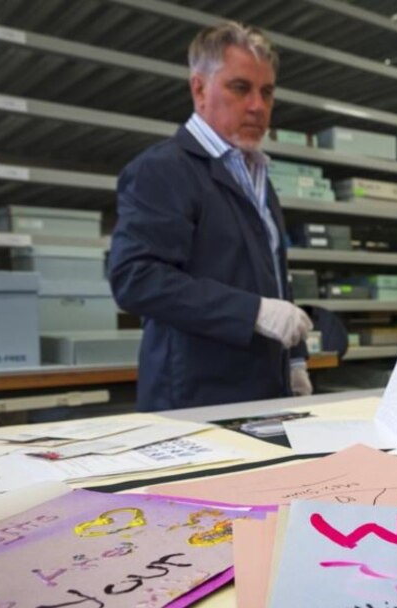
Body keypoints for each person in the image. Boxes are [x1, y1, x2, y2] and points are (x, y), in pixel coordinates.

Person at [109, 22, 313, 411]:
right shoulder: (163, 170)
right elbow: (136, 278)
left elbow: (272, 277)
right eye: (240, 88)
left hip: (264, 395)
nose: (257, 105)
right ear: (199, 89)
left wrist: (296, 357)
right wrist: (253, 312)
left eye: (267, 92)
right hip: (194, 401)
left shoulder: (258, 178)